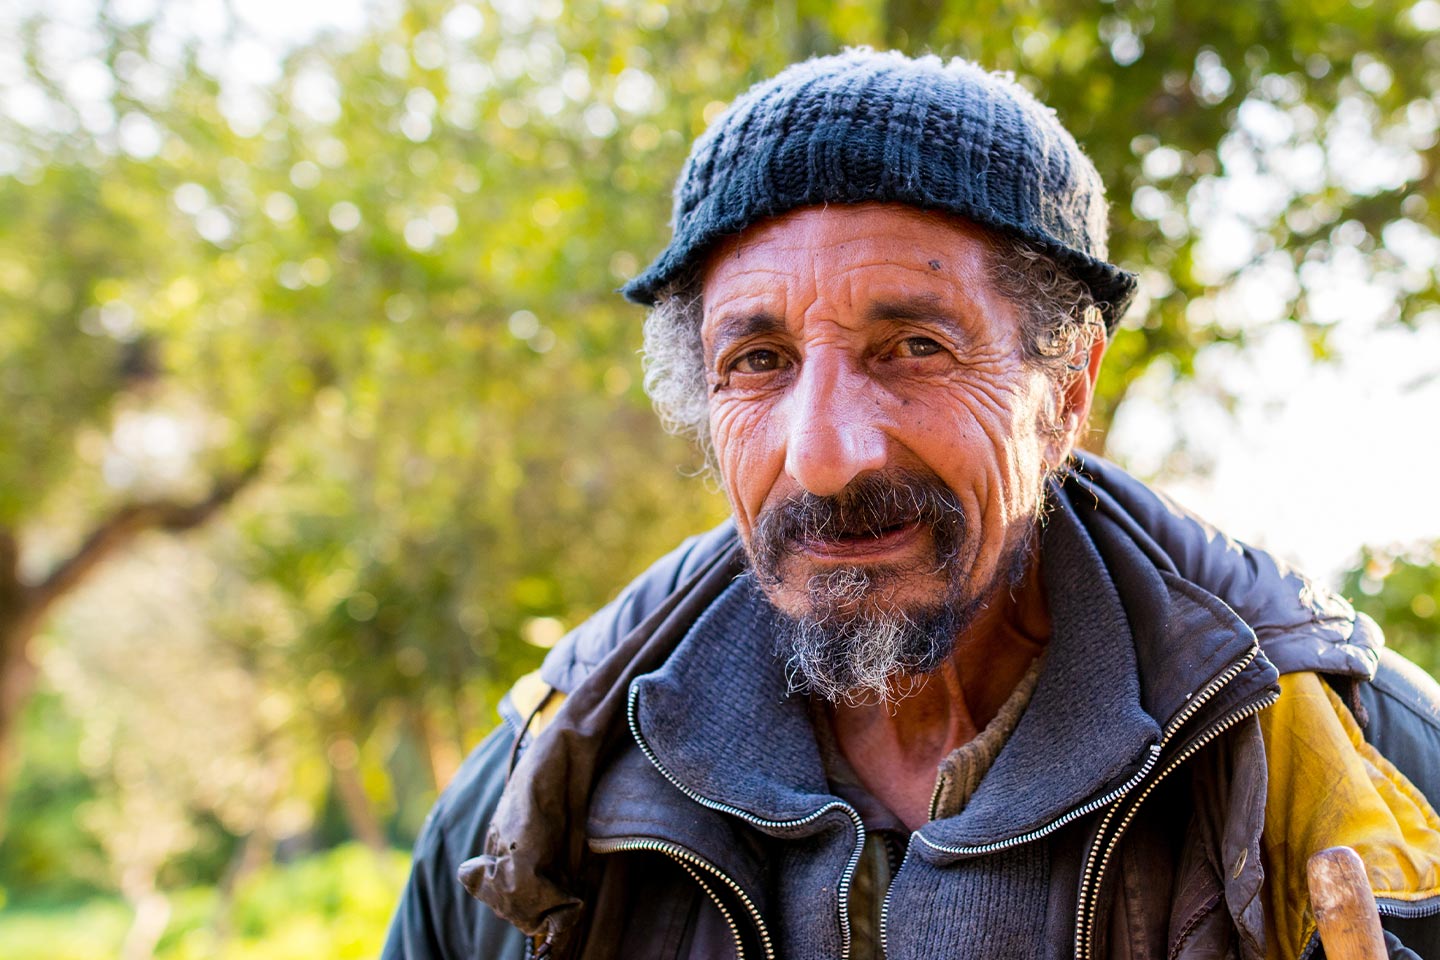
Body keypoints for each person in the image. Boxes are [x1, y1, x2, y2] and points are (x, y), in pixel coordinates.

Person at [383, 50, 1440, 960]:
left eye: (915, 349)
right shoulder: (534, 806)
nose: (827, 455)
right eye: (758, 362)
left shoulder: (1370, 775)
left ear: (1066, 392)